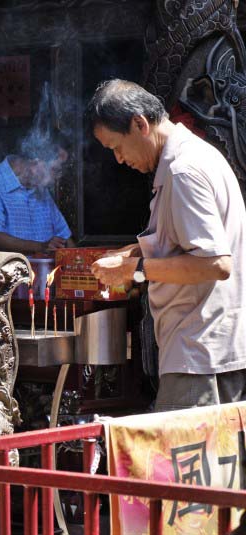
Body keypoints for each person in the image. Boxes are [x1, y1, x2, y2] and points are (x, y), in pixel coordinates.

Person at [87, 78, 246, 412]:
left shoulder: (182, 170)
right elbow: (181, 244)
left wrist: (136, 270)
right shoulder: (192, 157)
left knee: (188, 462)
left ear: (140, 124)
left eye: (117, 146)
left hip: (200, 353)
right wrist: (133, 252)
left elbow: (215, 263)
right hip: (206, 348)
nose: (118, 159)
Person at [0, 147, 74, 254]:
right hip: (2, 270)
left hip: (44, 271)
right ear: (35, 162)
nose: (57, 178)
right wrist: (41, 246)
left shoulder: (40, 188)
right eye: (55, 170)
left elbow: (64, 236)